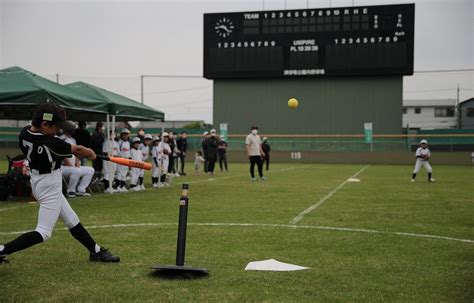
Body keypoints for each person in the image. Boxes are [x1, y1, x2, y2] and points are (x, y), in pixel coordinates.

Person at [0, 103, 119, 265]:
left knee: (71, 219)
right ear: (44, 125)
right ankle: (2, 249)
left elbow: (48, 131)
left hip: (40, 181)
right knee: (44, 232)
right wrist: (91, 154)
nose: (58, 131)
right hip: (49, 184)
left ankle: (95, 250)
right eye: (55, 127)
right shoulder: (50, 143)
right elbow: (78, 150)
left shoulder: (25, 132)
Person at [60, 127, 94, 197]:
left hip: (72, 166)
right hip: (62, 167)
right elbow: (61, 154)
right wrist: (69, 164)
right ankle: (71, 191)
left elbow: (76, 153)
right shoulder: (61, 139)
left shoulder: (72, 140)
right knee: (76, 171)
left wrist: (77, 161)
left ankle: (81, 190)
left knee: (90, 170)